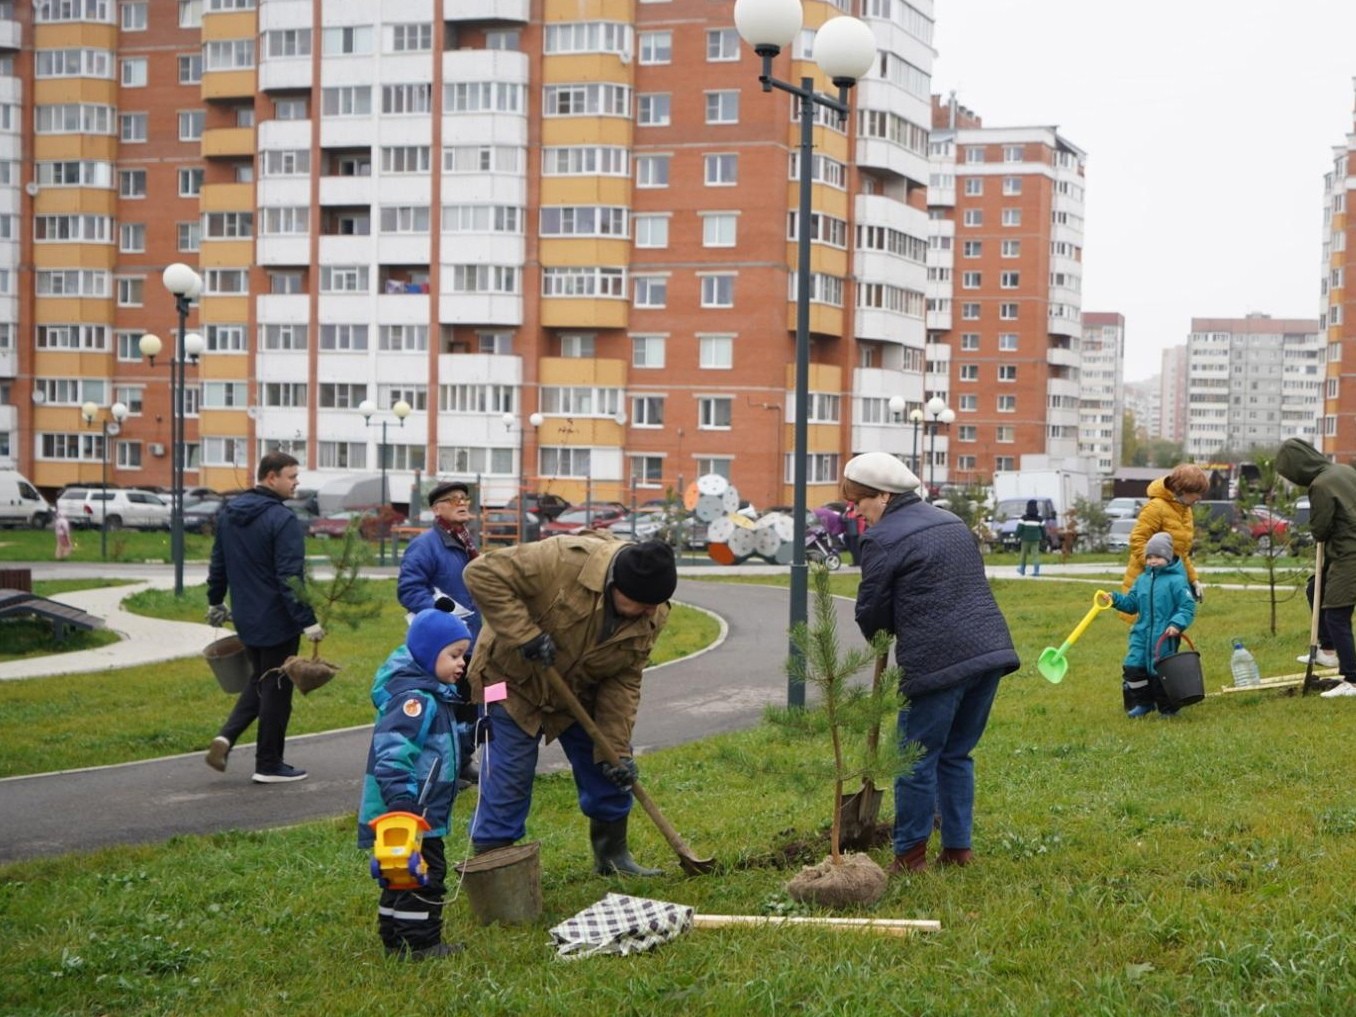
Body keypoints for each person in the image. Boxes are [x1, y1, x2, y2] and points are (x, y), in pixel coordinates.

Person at [844, 451, 1020, 874]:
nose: (856, 512)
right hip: (989, 652)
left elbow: (871, 609)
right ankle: (958, 850)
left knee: (914, 759)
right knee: (956, 753)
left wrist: (879, 632)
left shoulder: (882, 539)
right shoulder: (951, 522)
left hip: (938, 661)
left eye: (860, 502)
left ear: (884, 496)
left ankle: (909, 856)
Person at [462, 532, 677, 876]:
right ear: (615, 586)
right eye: (642, 603)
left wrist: (617, 750)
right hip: (510, 681)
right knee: (508, 777)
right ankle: (495, 868)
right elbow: (481, 573)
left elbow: (623, 679)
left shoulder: (652, 613)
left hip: (578, 689)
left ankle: (612, 859)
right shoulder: (560, 560)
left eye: (655, 604)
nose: (650, 612)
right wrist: (524, 636)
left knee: (609, 766)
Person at [357, 609, 472, 961]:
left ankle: (395, 940)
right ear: (426, 654)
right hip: (409, 811)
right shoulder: (415, 701)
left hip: (415, 809)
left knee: (398, 876)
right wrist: (402, 802)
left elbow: (443, 744)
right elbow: (391, 753)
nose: (462, 663)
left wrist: (472, 732)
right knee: (423, 876)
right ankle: (422, 944)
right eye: (453, 655)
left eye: (464, 655)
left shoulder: (434, 695)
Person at [204, 452, 324, 783]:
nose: (296, 482)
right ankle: (268, 763)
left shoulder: (230, 514)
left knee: (261, 680)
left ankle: (225, 738)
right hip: (279, 620)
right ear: (271, 477)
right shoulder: (282, 520)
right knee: (277, 689)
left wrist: (215, 601)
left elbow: (219, 563)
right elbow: (290, 577)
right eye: (291, 476)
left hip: (247, 617)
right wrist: (307, 620)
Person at [397, 480, 482, 774]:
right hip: (443, 644)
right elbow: (408, 591)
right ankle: (441, 765)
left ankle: (464, 759)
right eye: (454, 499)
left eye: (465, 499)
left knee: (472, 702)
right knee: (446, 705)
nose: (462, 503)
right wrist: (440, 616)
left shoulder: (467, 542)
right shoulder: (425, 545)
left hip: (473, 639)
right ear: (437, 508)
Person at [1276, 438, 1356, 697]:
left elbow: (1321, 528)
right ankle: (1329, 651)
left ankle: (1352, 680)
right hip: (1342, 551)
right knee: (1315, 588)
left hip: (1349, 554)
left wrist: (1316, 530)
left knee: (1336, 614)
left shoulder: (1320, 484)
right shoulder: (1344, 470)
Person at [1104, 532, 1197, 717]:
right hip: (1141, 634)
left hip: (1164, 637)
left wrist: (1176, 624)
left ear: (1168, 557)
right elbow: (1131, 604)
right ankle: (1144, 703)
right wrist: (1114, 599)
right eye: (1150, 557)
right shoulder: (1142, 580)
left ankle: (1168, 708)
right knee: (1133, 668)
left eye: (1159, 557)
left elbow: (1187, 606)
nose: (1153, 561)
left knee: (1160, 673)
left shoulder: (1177, 581)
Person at [1120, 463, 1209, 605]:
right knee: (1149, 625)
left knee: (1170, 625)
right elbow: (1137, 540)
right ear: (1183, 489)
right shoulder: (1156, 507)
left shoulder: (1185, 511)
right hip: (1147, 583)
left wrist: (1193, 580)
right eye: (1196, 492)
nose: (1199, 497)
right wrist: (1156, 566)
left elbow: (1180, 554)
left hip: (1167, 583)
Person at [1016, 499, 1043, 577]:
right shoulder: (1039, 519)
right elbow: (1043, 530)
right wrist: (1044, 537)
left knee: (1023, 554)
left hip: (1025, 539)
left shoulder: (1023, 518)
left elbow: (1019, 529)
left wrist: (1016, 536)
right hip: (1035, 539)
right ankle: (1036, 571)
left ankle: (1022, 569)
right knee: (1035, 555)